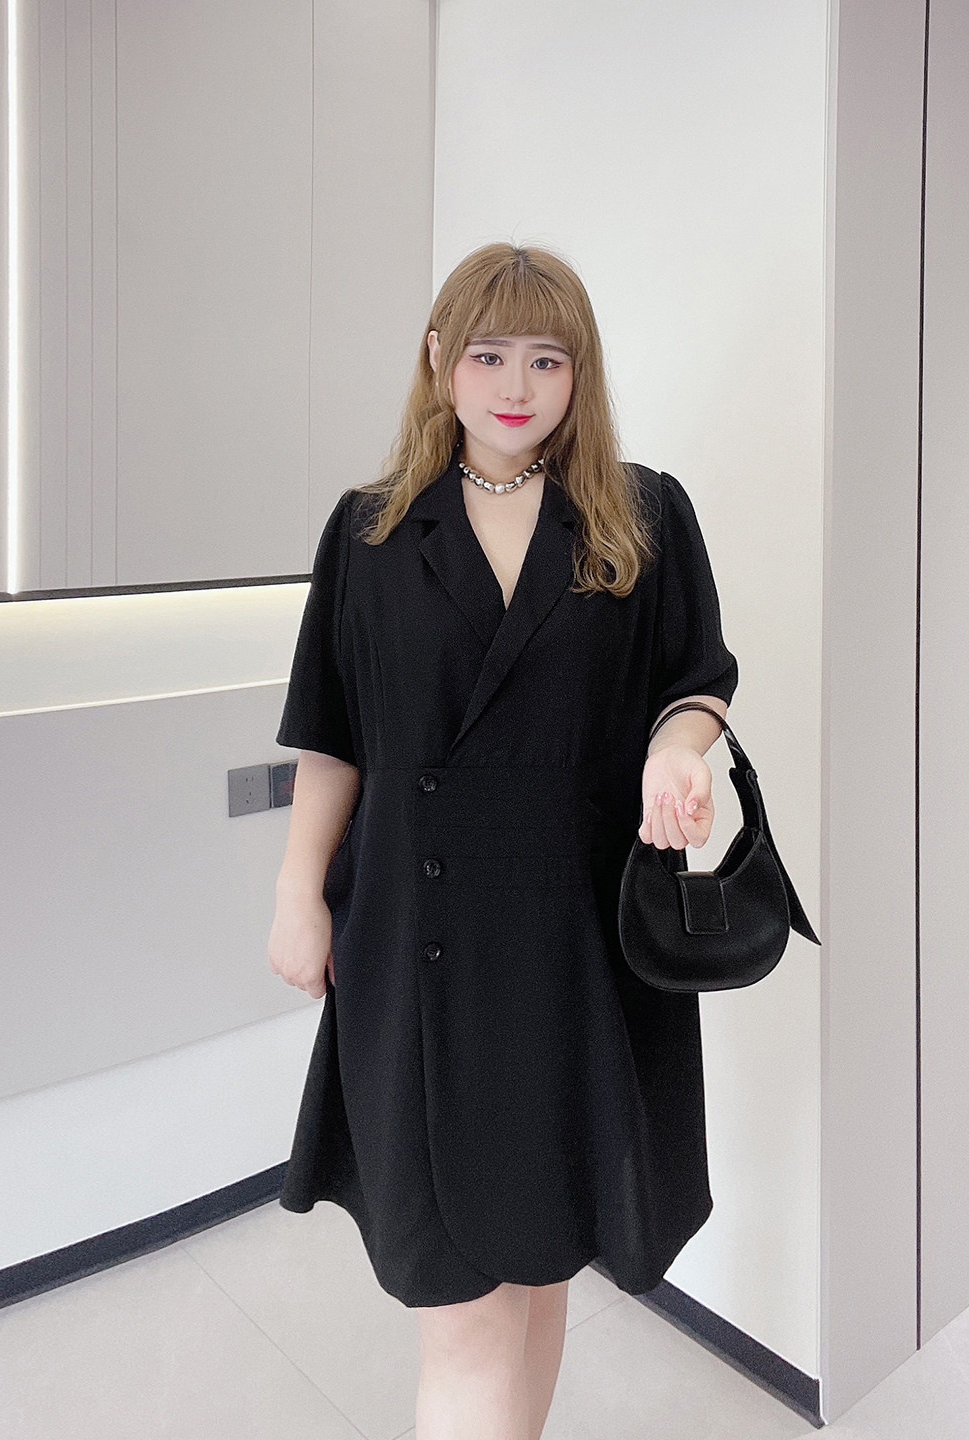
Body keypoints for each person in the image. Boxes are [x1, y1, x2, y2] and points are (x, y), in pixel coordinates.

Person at [266, 241, 737, 1440]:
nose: (516, 385)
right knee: (462, 1311)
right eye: (487, 355)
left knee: (539, 1266)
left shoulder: (641, 514)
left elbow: (695, 682)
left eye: (546, 359)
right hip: (416, 945)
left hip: (576, 948)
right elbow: (333, 736)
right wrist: (295, 892)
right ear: (439, 360)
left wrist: (677, 751)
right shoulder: (371, 531)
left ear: (581, 372)